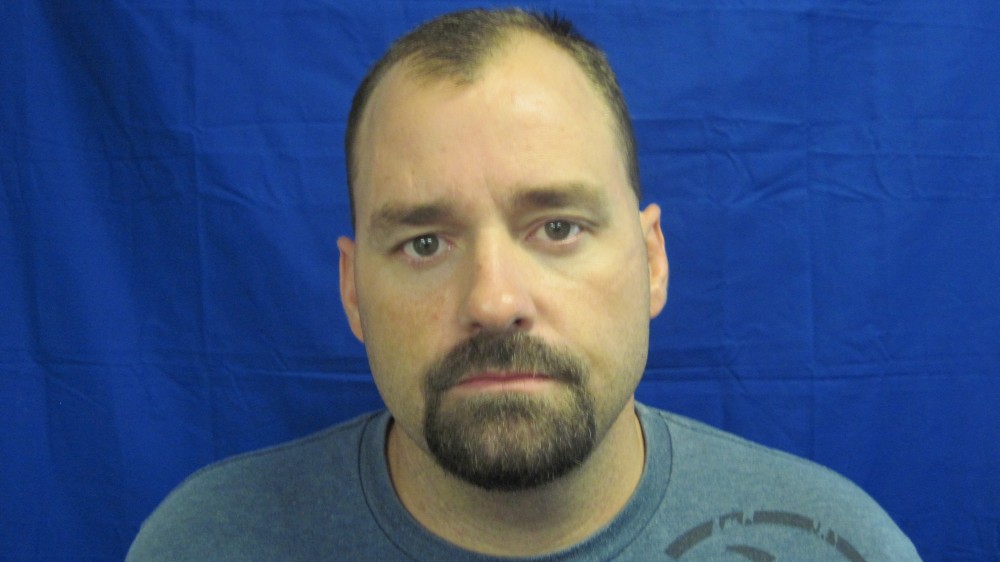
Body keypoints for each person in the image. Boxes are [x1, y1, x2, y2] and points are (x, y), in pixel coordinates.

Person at [127, 8, 921, 561]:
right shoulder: (203, 544)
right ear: (352, 291)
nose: (494, 301)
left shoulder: (833, 545)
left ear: (653, 261)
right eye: (425, 243)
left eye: (558, 228)